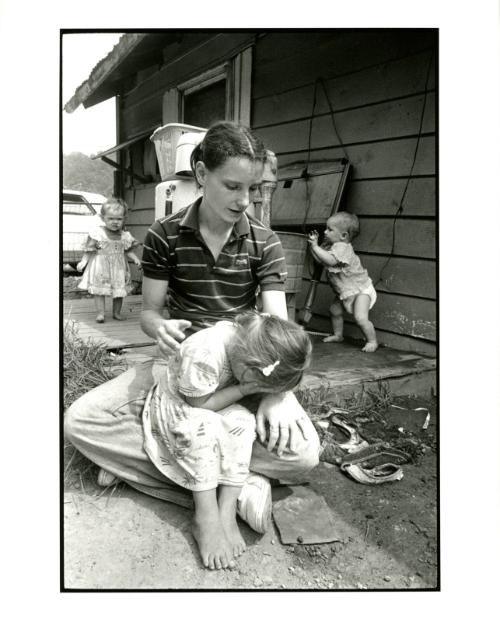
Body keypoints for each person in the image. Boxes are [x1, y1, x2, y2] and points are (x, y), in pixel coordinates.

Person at [64, 120, 320, 569]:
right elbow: (150, 312)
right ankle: (236, 491)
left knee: (304, 456)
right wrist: (156, 328)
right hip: (180, 366)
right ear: (201, 174)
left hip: (244, 368)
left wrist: (279, 394)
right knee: (80, 422)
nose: (245, 201)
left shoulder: (265, 242)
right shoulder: (165, 234)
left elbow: (276, 324)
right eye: (233, 186)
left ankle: (165, 469)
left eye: (254, 189)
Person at [142, 311, 312, 569]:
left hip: (216, 397)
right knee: (202, 431)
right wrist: (244, 389)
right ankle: (206, 517)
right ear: (248, 367)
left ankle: (227, 507)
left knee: (243, 421)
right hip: (184, 405)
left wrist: (254, 391)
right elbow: (198, 404)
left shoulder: (254, 334)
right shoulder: (205, 352)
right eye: (261, 385)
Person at [307, 212, 378, 352]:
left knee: (360, 318)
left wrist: (316, 247)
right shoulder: (330, 246)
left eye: (330, 229)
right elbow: (320, 260)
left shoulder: (343, 247)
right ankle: (338, 335)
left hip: (360, 290)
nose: (325, 232)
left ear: (343, 236)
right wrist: (313, 246)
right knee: (334, 310)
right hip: (345, 292)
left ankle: (372, 341)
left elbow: (331, 260)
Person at [77, 197, 142, 323]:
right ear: (103, 218)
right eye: (111, 218)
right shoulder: (97, 233)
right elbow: (89, 249)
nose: (115, 222)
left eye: (119, 219)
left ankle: (116, 313)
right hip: (100, 267)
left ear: (124, 219)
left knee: (119, 291)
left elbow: (127, 250)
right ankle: (100, 313)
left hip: (118, 268)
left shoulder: (124, 236)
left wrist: (135, 259)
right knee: (99, 291)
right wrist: (83, 261)